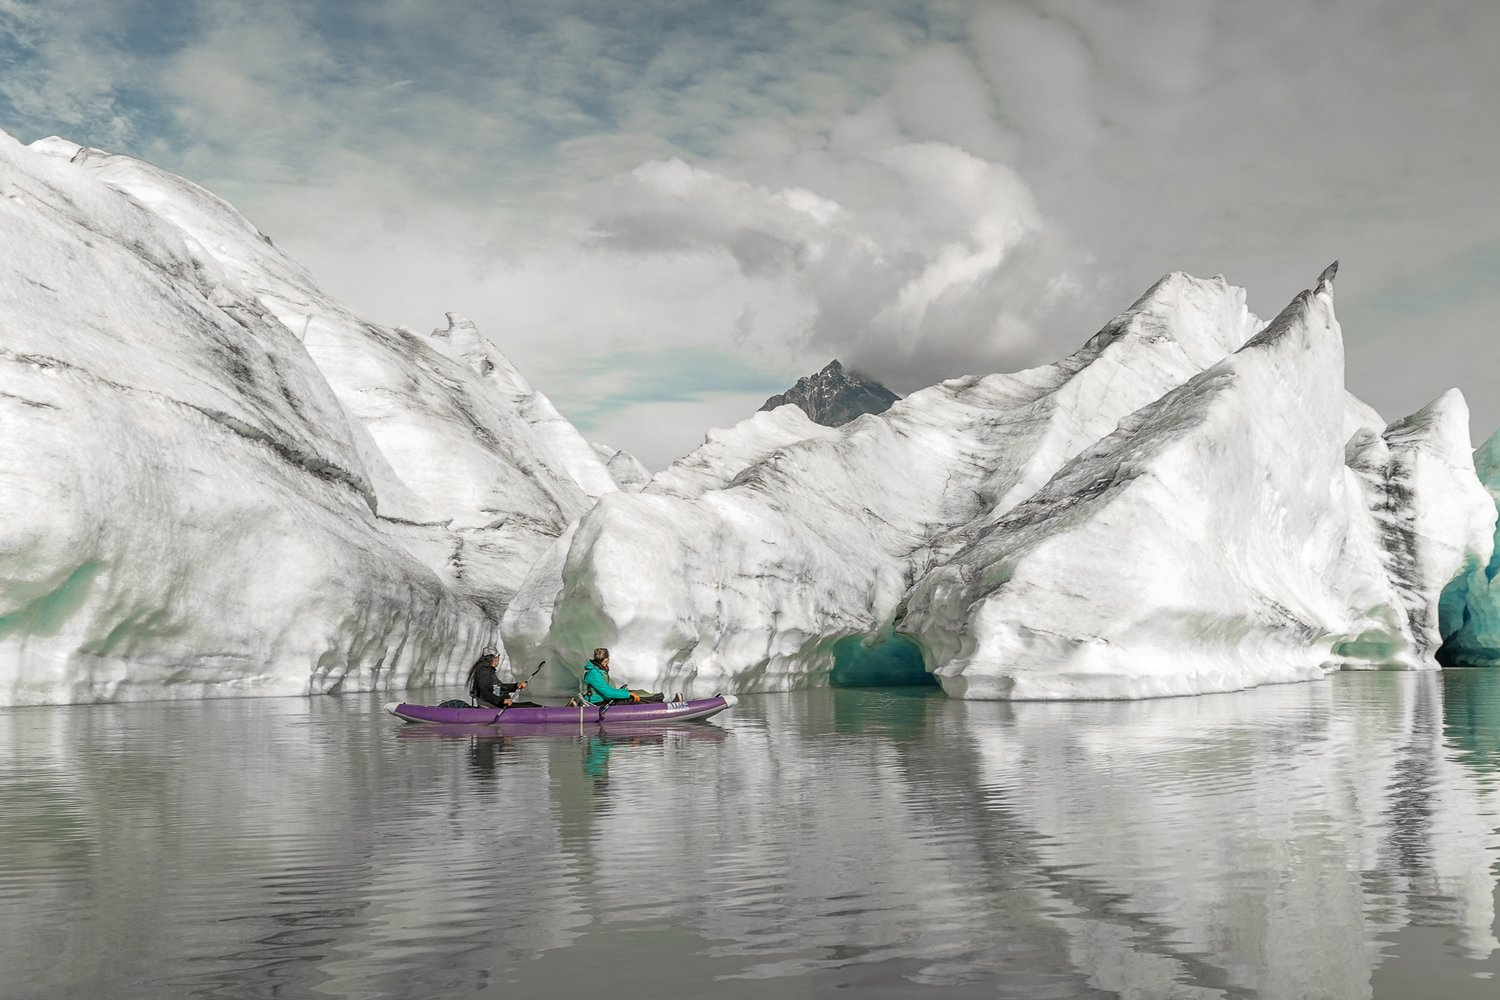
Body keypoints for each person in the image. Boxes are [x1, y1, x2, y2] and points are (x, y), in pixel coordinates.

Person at [578, 647, 670, 705]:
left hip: (605, 699)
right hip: (597, 702)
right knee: (633, 697)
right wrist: (628, 694)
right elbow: (608, 693)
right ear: (606, 660)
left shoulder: (598, 670)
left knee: (637, 692)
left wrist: (627, 692)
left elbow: (606, 690)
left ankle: (662, 702)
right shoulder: (594, 673)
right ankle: (665, 706)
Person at [466, 648, 531, 708]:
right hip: (492, 706)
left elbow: (497, 687)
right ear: (495, 659)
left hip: (495, 704)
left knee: (529, 704)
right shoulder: (484, 672)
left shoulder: (487, 671)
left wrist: (516, 686)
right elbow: (485, 692)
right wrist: (501, 701)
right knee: (530, 705)